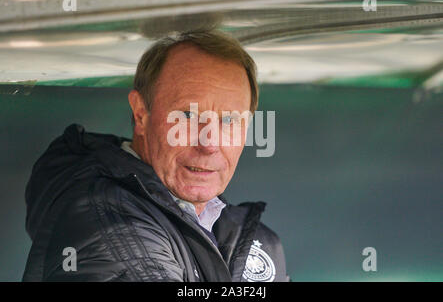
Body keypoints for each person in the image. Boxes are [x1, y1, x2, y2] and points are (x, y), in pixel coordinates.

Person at [22, 29, 288, 282]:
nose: (209, 144)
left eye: (230, 120)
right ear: (141, 114)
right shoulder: (108, 226)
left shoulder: (247, 238)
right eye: (188, 116)